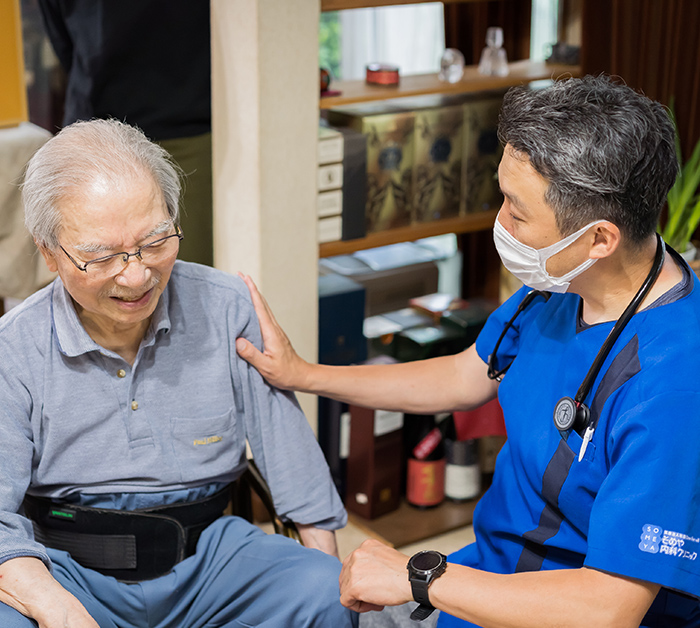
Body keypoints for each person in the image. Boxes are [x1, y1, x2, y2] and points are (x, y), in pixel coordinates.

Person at [236, 75, 700, 627]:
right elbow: (465, 374)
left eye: (516, 210)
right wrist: (305, 374)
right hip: (482, 577)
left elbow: (609, 609)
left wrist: (418, 576)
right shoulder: (566, 283)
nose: (498, 221)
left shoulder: (672, 385)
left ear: (600, 239)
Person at [0, 118, 358, 628]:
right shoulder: (12, 349)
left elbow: (288, 456)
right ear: (50, 253)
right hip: (69, 569)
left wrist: (329, 569)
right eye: (102, 256)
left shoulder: (226, 306)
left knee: (321, 591)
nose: (137, 275)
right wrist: (59, 611)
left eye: (155, 241)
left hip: (210, 561)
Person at [37, 0, 214, 266]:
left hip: (184, 122)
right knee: (90, 265)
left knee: (177, 270)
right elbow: (59, 31)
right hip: (92, 123)